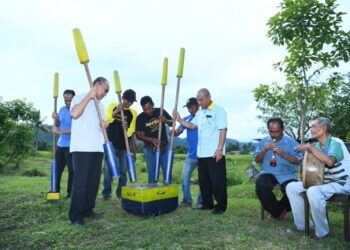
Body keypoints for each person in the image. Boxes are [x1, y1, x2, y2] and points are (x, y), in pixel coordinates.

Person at [286, 117, 350, 239]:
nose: (311, 129)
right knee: (291, 187)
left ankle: (322, 233)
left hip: (342, 182)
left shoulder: (336, 143)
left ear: (324, 128)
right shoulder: (316, 145)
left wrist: (310, 148)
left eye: (314, 126)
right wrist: (304, 160)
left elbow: (330, 162)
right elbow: (313, 166)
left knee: (313, 191)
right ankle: (303, 226)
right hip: (324, 182)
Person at [173, 88, 227, 215]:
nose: (200, 102)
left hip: (214, 152)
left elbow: (223, 130)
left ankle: (221, 206)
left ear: (209, 97)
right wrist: (179, 120)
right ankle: (207, 204)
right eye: (198, 100)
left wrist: (219, 149)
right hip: (201, 153)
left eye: (201, 100)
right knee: (204, 181)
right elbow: (192, 126)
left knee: (217, 181)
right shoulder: (200, 113)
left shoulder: (219, 110)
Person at [68, 77, 110, 226]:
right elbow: (75, 114)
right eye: (105, 90)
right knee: (81, 183)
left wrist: (104, 124)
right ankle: (76, 215)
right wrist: (89, 96)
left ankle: (88, 210)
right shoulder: (79, 98)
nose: (106, 93)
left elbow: (100, 127)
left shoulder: (101, 106)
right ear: (97, 85)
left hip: (97, 148)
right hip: (82, 148)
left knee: (93, 183)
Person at [253, 117, 301, 220]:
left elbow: (298, 161)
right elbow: (257, 159)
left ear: (283, 129)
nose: (274, 134)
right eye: (271, 131)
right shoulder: (264, 141)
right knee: (260, 183)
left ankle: (281, 210)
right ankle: (279, 213)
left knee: (294, 188)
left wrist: (284, 154)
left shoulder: (292, 143)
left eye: (277, 131)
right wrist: (265, 150)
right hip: (268, 172)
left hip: (287, 173)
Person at [102, 89, 137, 200]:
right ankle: (106, 193)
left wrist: (127, 130)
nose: (130, 103)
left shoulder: (133, 113)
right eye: (128, 101)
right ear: (123, 98)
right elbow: (106, 121)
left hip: (124, 146)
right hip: (111, 144)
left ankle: (120, 193)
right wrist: (116, 111)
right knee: (108, 169)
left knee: (123, 170)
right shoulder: (112, 105)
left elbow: (132, 130)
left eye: (132, 102)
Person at [135, 96, 173, 184]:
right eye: (145, 109)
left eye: (149, 108)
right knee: (152, 175)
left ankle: (167, 196)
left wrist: (166, 120)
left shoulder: (160, 111)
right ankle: (153, 196)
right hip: (149, 148)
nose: (147, 111)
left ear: (153, 105)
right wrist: (151, 140)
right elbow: (138, 135)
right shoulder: (140, 117)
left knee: (167, 174)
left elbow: (173, 123)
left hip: (164, 147)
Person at [173, 97, 202, 208]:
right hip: (191, 155)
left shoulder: (202, 117)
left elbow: (192, 126)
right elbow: (178, 131)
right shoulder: (187, 119)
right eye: (188, 107)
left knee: (202, 180)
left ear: (197, 106)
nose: (190, 109)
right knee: (185, 177)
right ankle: (186, 200)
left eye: (192, 107)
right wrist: (173, 132)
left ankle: (201, 201)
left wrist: (179, 119)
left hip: (203, 155)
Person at [52, 89, 75, 199]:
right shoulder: (61, 109)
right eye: (66, 100)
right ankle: (55, 190)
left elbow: (75, 129)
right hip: (60, 145)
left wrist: (59, 131)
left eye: (70, 100)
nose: (67, 102)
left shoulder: (76, 111)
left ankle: (70, 193)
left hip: (72, 146)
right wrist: (55, 119)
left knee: (72, 170)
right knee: (58, 169)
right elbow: (58, 124)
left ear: (73, 99)